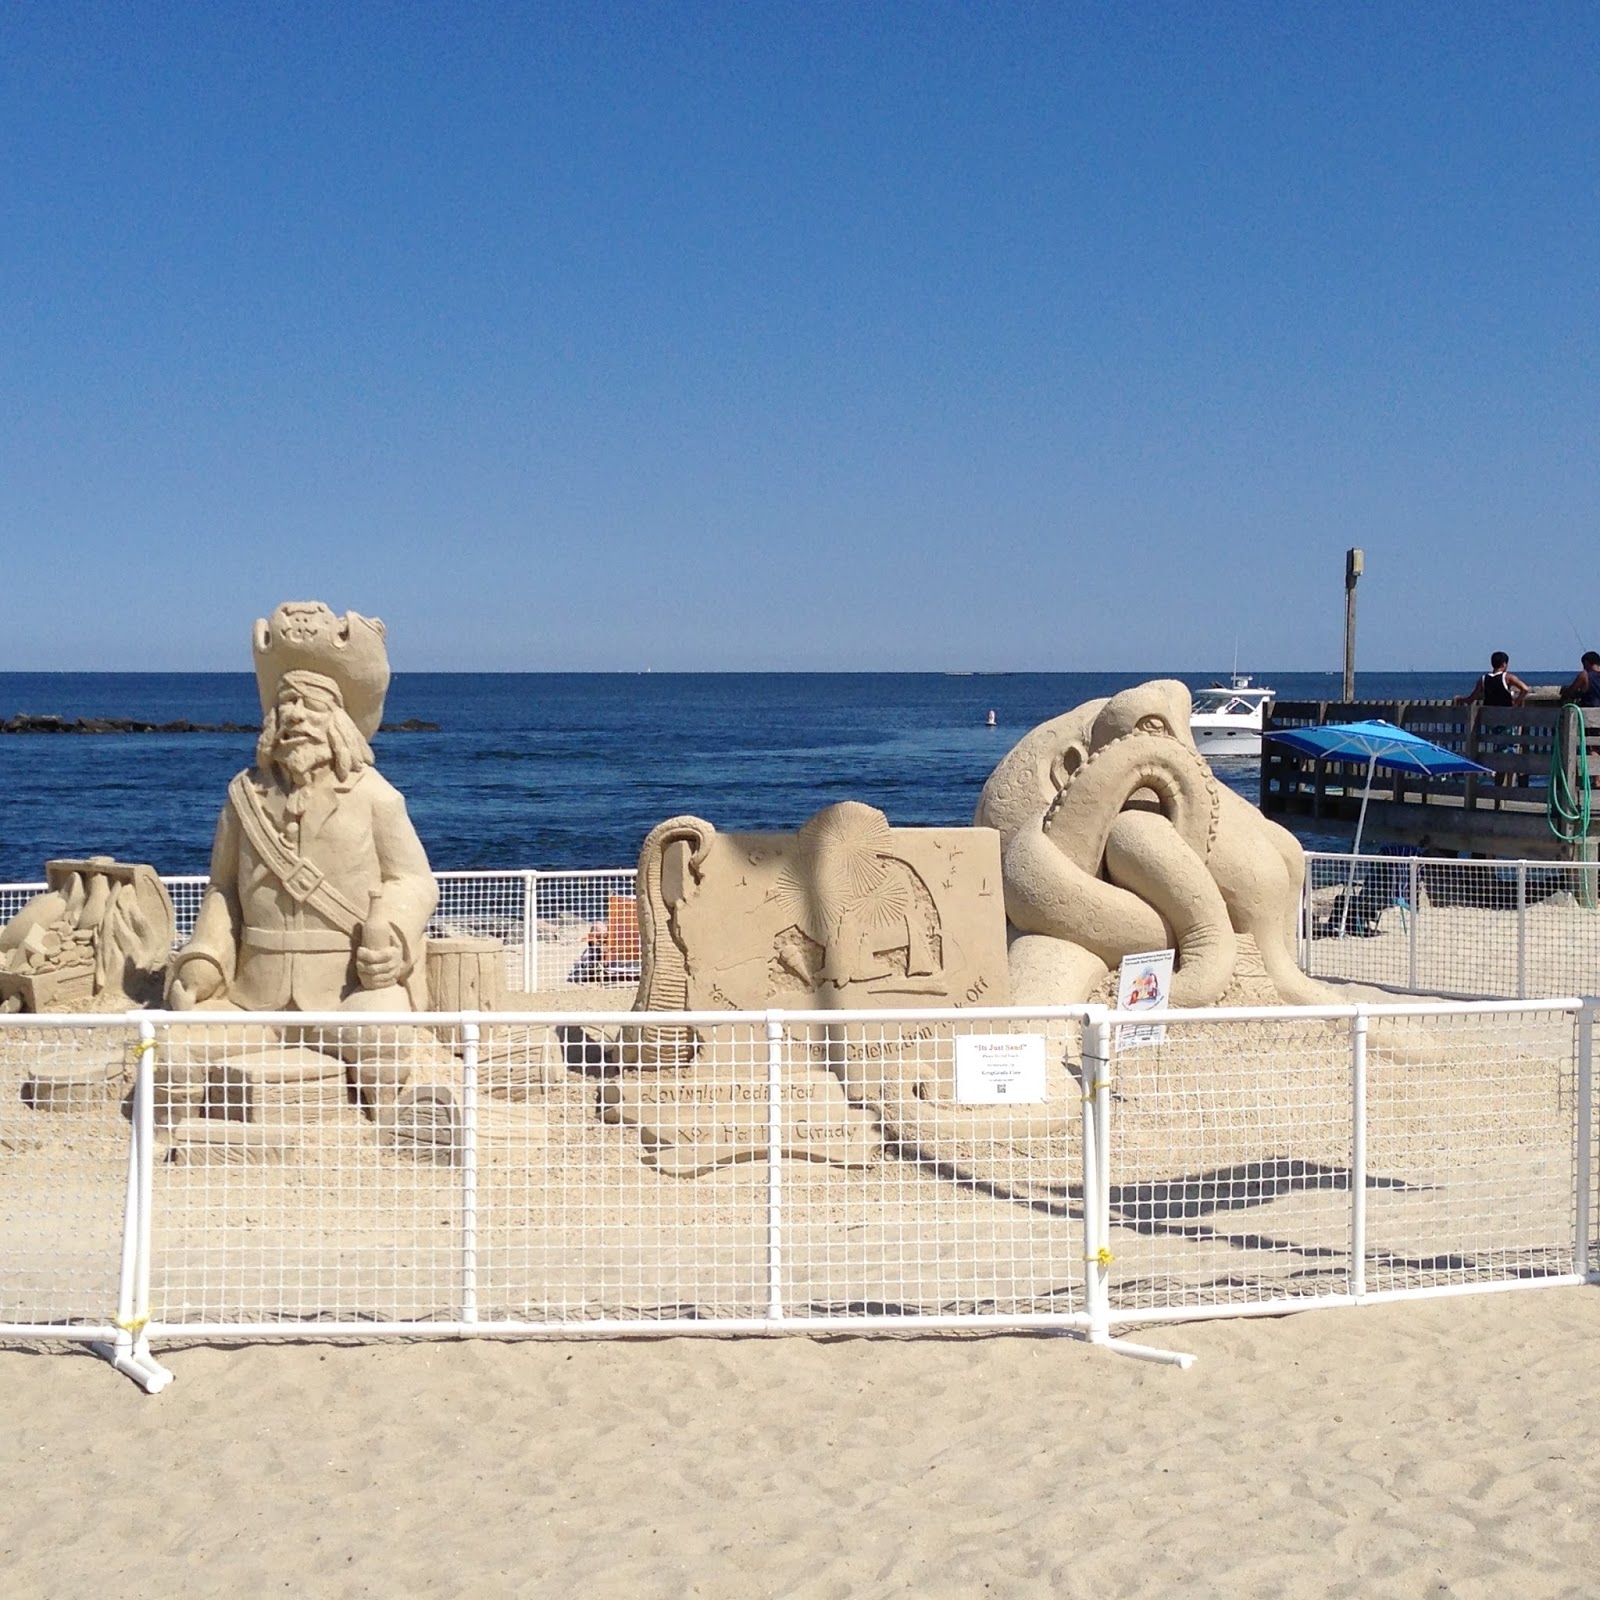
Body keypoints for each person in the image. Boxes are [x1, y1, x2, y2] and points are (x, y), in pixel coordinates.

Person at [168, 604, 438, 1016]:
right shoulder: (243, 795)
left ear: (339, 722)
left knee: (378, 1038)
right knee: (181, 1042)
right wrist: (205, 957)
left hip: (349, 989)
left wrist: (394, 939)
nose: (294, 715)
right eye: (286, 704)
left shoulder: (374, 794)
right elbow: (223, 888)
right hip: (254, 993)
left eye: (310, 704)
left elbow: (414, 880)